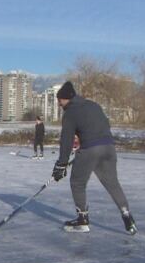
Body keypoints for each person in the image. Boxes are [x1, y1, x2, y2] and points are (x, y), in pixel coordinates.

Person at [51, 81, 137, 235]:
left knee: (77, 183)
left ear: (67, 98)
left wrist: (61, 164)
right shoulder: (93, 105)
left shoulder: (70, 112)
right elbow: (104, 124)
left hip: (91, 150)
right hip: (109, 147)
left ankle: (82, 220)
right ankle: (127, 216)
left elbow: (66, 140)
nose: (59, 103)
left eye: (60, 100)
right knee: (112, 183)